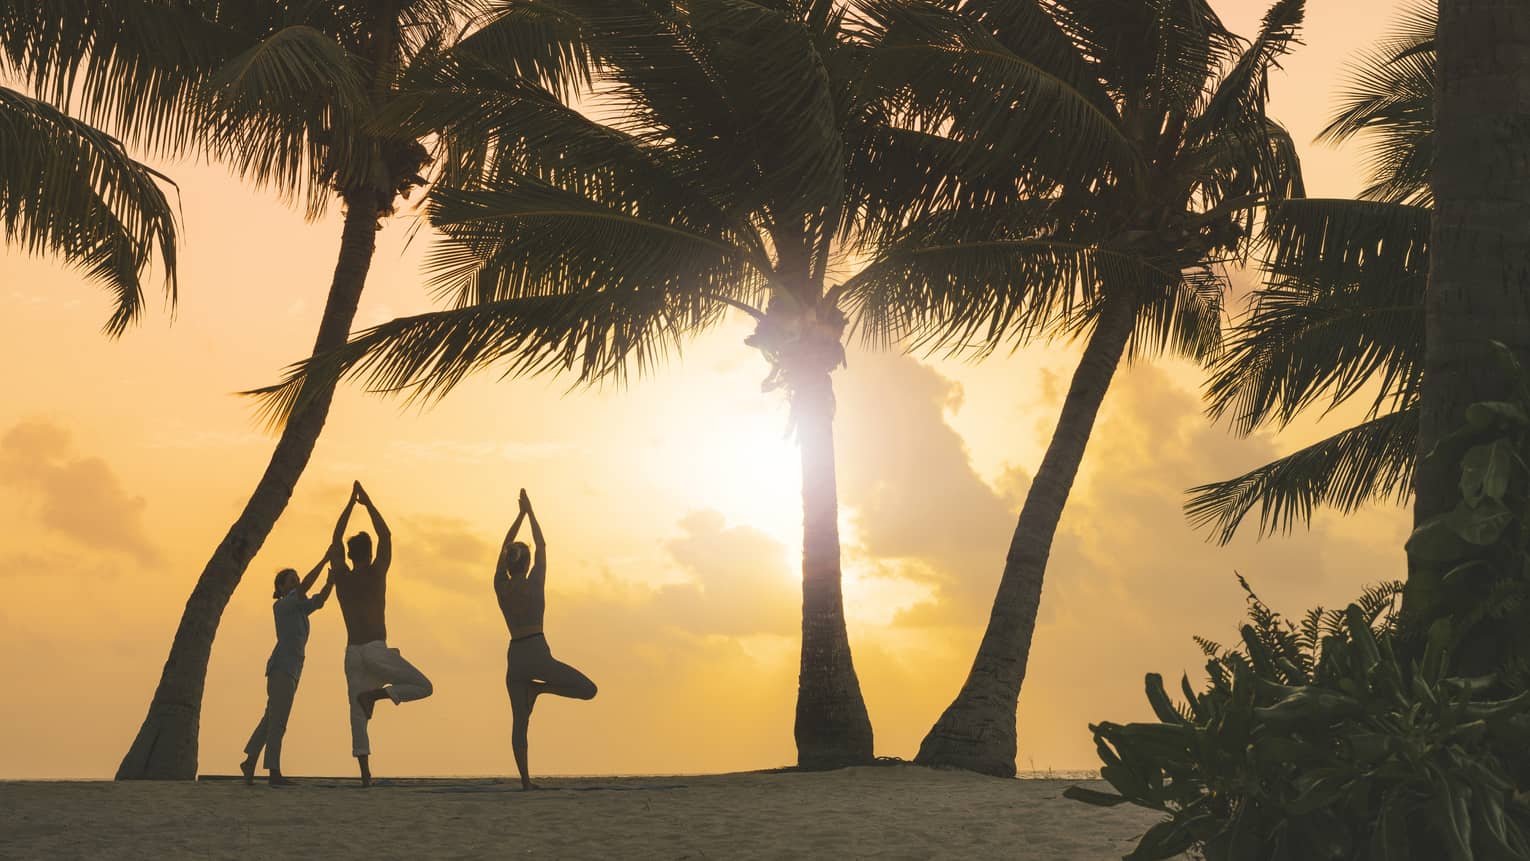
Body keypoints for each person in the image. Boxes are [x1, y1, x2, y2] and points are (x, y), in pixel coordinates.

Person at [330, 480, 433, 787]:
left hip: (353, 652)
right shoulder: (376, 574)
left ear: (350, 555)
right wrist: (368, 503)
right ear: (370, 552)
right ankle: (377, 695)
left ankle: (365, 775)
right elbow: (385, 535)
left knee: (356, 714)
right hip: (375, 649)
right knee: (424, 686)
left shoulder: (342, 577)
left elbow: (335, 539)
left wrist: (349, 506)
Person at [496, 488, 597, 790]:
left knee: (519, 722)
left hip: (515, 655)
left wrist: (518, 517)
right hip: (536, 651)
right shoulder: (535, 582)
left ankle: (526, 782)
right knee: (588, 689)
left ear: (508, 564)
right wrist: (529, 512)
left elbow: (503, 548)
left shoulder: (500, 585)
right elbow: (541, 544)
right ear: (527, 564)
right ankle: (540, 690)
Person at [240, 557, 333, 786]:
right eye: (292, 581)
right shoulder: (283, 606)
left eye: (297, 580)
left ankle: (250, 761)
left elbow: (319, 600)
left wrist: (330, 582)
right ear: (281, 588)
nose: (297, 583)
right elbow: (306, 587)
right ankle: (274, 771)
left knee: (270, 719)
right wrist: (323, 561)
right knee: (278, 722)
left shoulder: (299, 608)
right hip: (282, 669)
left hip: (292, 670)